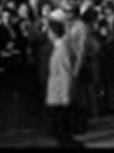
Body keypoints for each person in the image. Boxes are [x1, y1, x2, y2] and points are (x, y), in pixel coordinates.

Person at [46, 11, 83, 148]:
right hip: (56, 93)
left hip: (59, 95)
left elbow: (66, 73)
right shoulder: (60, 47)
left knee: (59, 130)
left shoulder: (62, 48)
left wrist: (66, 95)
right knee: (59, 131)